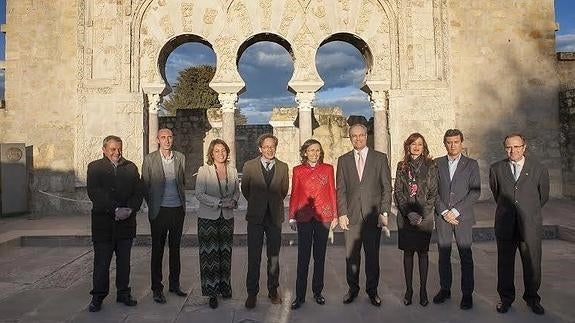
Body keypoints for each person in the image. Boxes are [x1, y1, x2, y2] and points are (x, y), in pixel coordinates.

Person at [489, 133, 549, 315]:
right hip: (505, 225)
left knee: (532, 263)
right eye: (509, 147)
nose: (512, 150)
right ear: (505, 148)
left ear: (524, 147)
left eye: (516, 146)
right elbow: (497, 193)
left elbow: (543, 196)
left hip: (529, 225)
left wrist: (526, 211)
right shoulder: (496, 168)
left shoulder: (538, 169)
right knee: (505, 264)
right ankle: (506, 299)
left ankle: (532, 298)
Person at [336, 123, 392, 307]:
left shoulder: (380, 158)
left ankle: (372, 291)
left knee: (372, 256)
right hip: (351, 216)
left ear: (366, 136)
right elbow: (341, 189)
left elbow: (386, 188)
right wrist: (342, 213)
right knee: (351, 256)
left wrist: (384, 211)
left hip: (372, 216)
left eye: (361, 135)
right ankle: (352, 289)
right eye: (354, 136)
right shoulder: (343, 160)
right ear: (350, 138)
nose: (358, 138)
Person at [86, 135, 143, 312]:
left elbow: (138, 191)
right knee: (102, 263)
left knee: (124, 262)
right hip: (103, 224)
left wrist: (130, 209)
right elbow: (94, 193)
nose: (117, 152)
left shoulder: (130, 167)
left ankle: (123, 293)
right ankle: (98, 297)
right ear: (104, 150)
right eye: (112, 149)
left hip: (126, 223)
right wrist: (115, 210)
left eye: (119, 148)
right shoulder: (94, 167)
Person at [433, 129, 480, 310]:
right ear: (444, 143)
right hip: (443, 217)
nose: (452, 145)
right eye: (449, 142)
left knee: (465, 255)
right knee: (443, 255)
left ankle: (467, 294)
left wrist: (456, 211)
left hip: (463, 217)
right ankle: (445, 289)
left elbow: (475, 191)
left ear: (462, 143)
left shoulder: (471, 164)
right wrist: (444, 211)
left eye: (456, 142)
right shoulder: (436, 163)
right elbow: (433, 191)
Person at [288, 139, 339, 310]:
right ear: (305, 152)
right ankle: (300, 296)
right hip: (303, 217)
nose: (314, 153)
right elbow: (294, 193)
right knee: (303, 258)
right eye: (311, 150)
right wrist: (291, 217)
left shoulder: (328, 169)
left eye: (317, 150)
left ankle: (318, 292)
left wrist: (335, 215)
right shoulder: (297, 170)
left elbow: (332, 191)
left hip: (323, 216)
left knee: (320, 256)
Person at [242, 133, 289, 309]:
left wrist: (272, 204)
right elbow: (245, 189)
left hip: (275, 217)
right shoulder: (249, 166)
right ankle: (252, 293)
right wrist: (258, 203)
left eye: (272, 146)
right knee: (253, 257)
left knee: (274, 257)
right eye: (266, 146)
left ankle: (273, 291)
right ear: (260, 148)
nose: (269, 149)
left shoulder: (283, 167)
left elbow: (283, 190)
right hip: (255, 217)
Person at [142, 128, 187, 304]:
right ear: (157, 140)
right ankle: (156, 288)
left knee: (175, 249)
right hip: (159, 211)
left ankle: (174, 284)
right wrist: (153, 204)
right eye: (163, 137)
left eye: (169, 137)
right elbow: (145, 184)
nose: (167, 140)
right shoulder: (150, 159)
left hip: (177, 210)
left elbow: (182, 181)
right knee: (158, 250)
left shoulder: (180, 158)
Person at [394, 133, 438, 307]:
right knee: (408, 253)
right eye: (413, 144)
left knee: (423, 254)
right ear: (408, 146)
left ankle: (423, 290)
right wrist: (408, 213)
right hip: (406, 217)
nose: (416, 147)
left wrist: (421, 214)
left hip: (424, 218)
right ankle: (409, 290)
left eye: (420, 144)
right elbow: (397, 192)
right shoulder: (401, 166)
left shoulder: (431, 165)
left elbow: (433, 193)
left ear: (424, 146)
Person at [195, 139, 240, 309]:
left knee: (225, 252)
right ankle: (211, 292)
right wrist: (220, 203)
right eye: (217, 151)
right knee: (209, 255)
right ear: (211, 154)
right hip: (208, 218)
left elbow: (236, 191)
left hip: (227, 217)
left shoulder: (233, 170)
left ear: (227, 152)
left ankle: (225, 287)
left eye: (223, 150)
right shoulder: (204, 170)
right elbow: (199, 194)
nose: (221, 153)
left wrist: (234, 201)